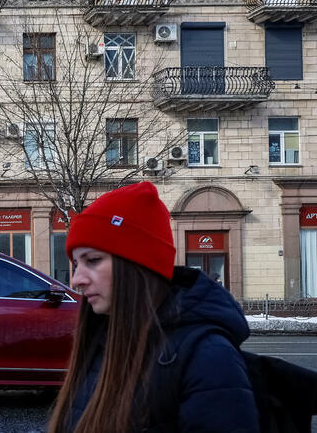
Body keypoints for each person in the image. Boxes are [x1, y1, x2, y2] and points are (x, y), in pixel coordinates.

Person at [48, 181, 258, 433]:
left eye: (92, 260)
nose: (76, 279)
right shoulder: (103, 337)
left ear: (138, 267)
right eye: (76, 263)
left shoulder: (207, 356)